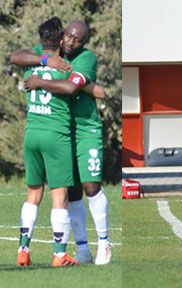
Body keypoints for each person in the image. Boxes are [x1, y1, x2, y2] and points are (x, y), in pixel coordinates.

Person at [13, 20, 112, 264]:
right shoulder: (48, 53)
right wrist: (46, 61)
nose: (70, 42)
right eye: (68, 36)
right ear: (60, 37)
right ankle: (82, 250)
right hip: (61, 130)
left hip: (85, 127)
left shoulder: (86, 59)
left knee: (90, 186)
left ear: (84, 43)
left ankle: (104, 243)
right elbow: (16, 56)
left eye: (77, 40)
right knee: (72, 191)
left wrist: (40, 81)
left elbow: (69, 87)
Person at [15, 17, 79, 267]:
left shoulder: (31, 64)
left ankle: (23, 250)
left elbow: (16, 56)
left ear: (41, 40)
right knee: (59, 194)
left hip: (32, 133)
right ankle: (59, 254)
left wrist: (41, 62)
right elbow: (71, 88)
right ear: (62, 39)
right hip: (55, 134)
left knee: (33, 193)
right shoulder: (65, 66)